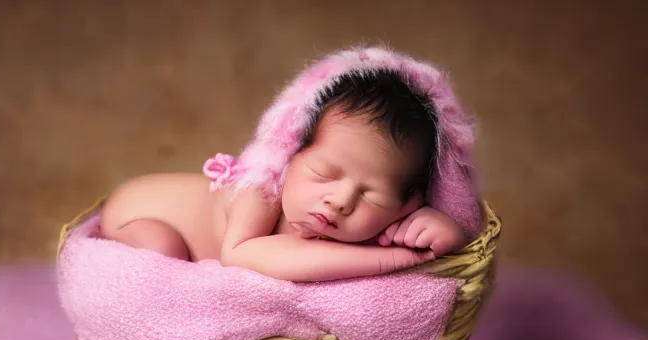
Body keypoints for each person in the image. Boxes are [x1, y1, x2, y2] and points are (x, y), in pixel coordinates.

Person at [100, 66, 467, 282]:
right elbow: (240, 255)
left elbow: (412, 231)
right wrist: (390, 260)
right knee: (163, 258)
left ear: (405, 205)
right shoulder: (262, 190)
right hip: (142, 212)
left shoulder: (363, 217)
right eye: (324, 173)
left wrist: (438, 228)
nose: (340, 201)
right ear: (289, 155)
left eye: (372, 195)